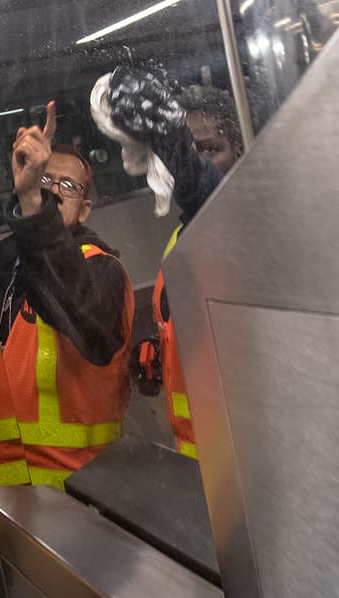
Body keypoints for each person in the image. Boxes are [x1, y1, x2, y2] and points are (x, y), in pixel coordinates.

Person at [0, 100, 135, 488]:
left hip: (89, 492)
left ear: (85, 209)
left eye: (68, 186)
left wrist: (32, 203)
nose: (55, 190)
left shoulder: (102, 271)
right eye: (46, 180)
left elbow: (76, 305)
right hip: (16, 493)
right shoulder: (8, 270)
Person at [110, 71, 245, 458]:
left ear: (240, 151)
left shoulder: (247, 231)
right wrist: (161, 354)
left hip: (244, 455)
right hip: (196, 453)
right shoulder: (180, 241)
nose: (203, 162)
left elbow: (208, 195)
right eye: (192, 151)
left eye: (212, 149)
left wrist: (176, 146)